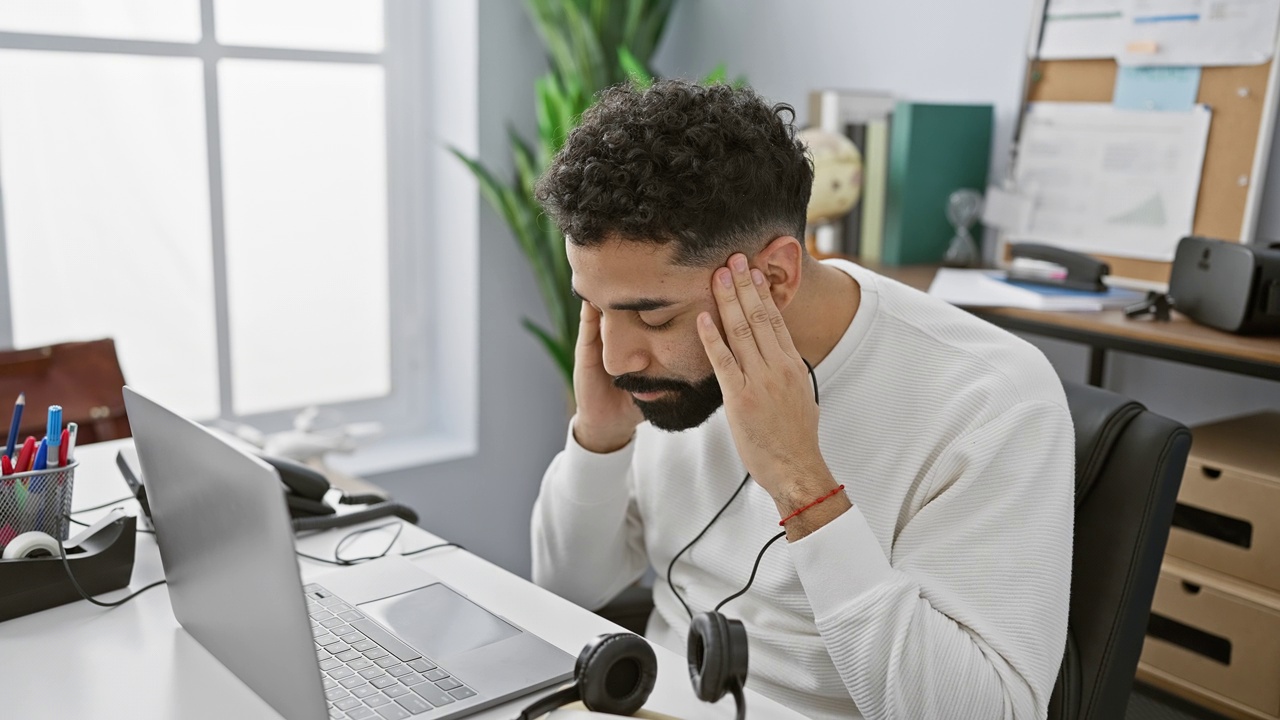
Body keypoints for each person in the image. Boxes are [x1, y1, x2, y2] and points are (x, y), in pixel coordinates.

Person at [529, 79, 1073, 720]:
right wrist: (600, 436)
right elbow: (568, 589)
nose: (617, 359)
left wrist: (800, 482)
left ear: (775, 278)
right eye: (594, 306)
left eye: (653, 318)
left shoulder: (991, 400)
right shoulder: (660, 377)